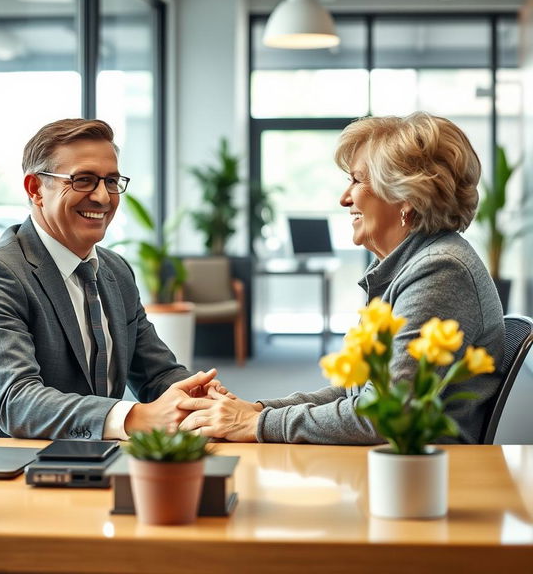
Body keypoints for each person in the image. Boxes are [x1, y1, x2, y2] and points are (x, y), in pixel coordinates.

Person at [178, 112, 505, 444]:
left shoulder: (440, 271)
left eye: (357, 180)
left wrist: (258, 423)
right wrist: (256, 411)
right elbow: (357, 392)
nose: (344, 198)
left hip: (422, 480)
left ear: (405, 196)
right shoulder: (419, 263)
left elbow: (383, 414)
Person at [0, 118, 224, 439]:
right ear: (36, 189)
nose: (102, 197)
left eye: (111, 181)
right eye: (83, 180)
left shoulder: (116, 271)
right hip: (20, 472)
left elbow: (157, 373)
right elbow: (16, 402)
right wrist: (136, 417)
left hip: (100, 464)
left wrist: (198, 397)